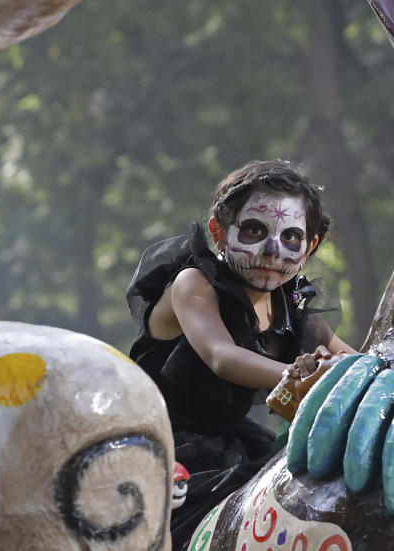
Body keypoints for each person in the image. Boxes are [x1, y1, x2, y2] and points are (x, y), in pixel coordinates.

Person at [126, 159, 356, 548]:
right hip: (160, 440)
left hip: (233, 442)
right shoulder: (195, 284)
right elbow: (221, 355)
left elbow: (352, 359)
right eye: (254, 230)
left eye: (291, 238)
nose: (271, 250)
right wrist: (301, 375)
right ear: (219, 231)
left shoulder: (293, 304)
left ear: (310, 245)